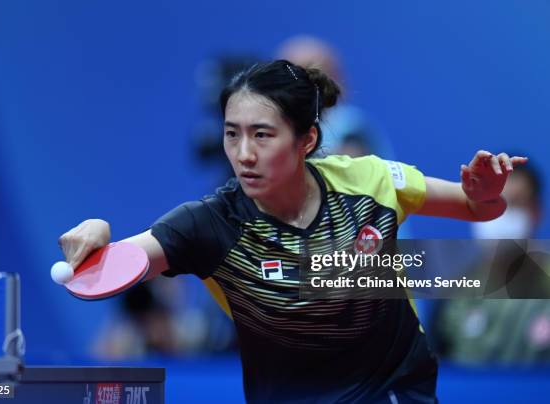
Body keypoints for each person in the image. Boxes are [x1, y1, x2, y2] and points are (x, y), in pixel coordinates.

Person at [57, 60, 526, 403]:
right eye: (231, 133)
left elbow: (480, 209)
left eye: (262, 135)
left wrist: (484, 190)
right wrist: (98, 234)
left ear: (307, 141)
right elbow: (122, 261)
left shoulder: (371, 180)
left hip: (394, 393)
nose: (243, 153)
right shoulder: (211, 223)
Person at [432, 163, 550, 364]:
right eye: (491, 202)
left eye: (515, 204)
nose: (500, 215)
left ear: (536, 213)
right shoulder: (453, 295)